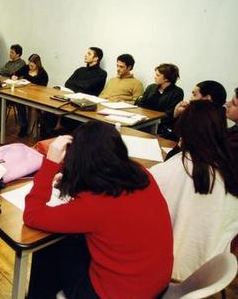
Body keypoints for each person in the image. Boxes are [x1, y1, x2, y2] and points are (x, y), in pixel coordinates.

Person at [24, 122, 172, 298]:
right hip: (155, 284)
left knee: (48, 247)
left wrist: (50, 164)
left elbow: (32, 215)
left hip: (112, 293)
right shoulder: (141, 174)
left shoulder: (93, 205)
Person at [149, 101, 238, 281]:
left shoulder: (173, 170)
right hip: (209, 271)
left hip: (165, 269)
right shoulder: (229, 172)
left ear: (184, 130)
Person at [137, 63, 184, 137]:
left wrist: (152, 120)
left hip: (162, 125)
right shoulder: (151, 87)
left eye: (158, 75)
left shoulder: (177, 92)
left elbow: (170, 114)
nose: (154, 77)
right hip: (143, 121)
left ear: (166, 79)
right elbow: (141, 105)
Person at [14, 54, 49, 137]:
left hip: (36, 97)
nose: (30, 67)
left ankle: (33, 130)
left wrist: (32, 86)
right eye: (29, 65)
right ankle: (23, 126)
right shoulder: (26, 68)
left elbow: (43, 89)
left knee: (34, 108)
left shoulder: (42, 74)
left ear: (37, 65)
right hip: (24, 94)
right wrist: (14, 76)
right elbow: (16, 73)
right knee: (19, 103)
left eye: (32, 66)